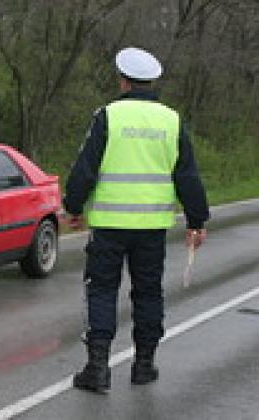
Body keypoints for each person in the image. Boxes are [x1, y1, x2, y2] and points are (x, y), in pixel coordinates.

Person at [64, 47, 210, 393]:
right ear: (152, 81)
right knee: (148, 293)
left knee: (101, 290)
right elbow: (187, 175)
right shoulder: (171, 120)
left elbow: (85, 167)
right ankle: (144, 365)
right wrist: (197, 221)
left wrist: (73, 207)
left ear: (123, 80)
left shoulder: (108, 116)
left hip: (110, 227)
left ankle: (97, 368)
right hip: (151, 229)